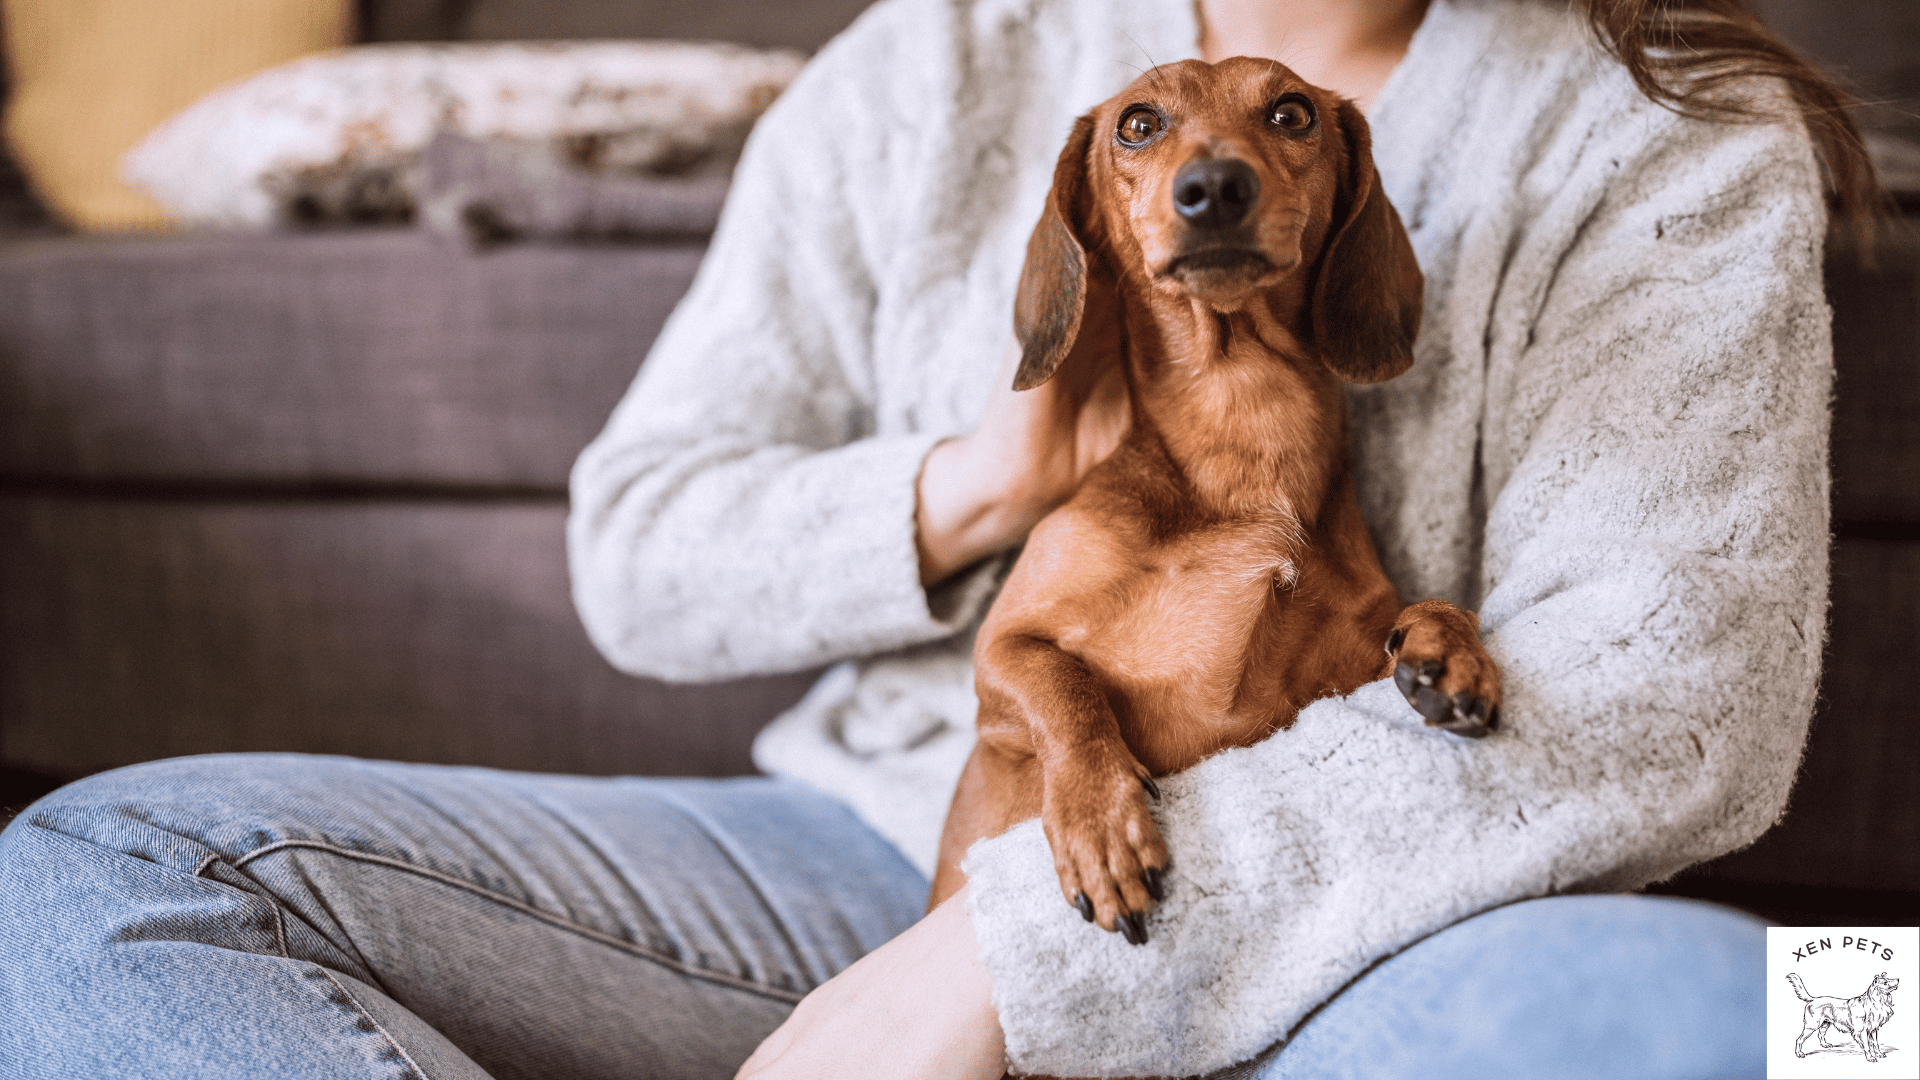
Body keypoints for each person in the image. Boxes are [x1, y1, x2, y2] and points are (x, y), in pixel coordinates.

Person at [0, 0, 1877, 1077]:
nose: (1214, 167)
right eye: (1162, 144)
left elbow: (1666, 704)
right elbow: (636, 541)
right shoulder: (933, 63)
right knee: (89, 870)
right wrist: (982, 477)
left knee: (1824, 1024)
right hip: (874, 846)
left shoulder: (1665, 132)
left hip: (1393, 913)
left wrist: (995, 972)